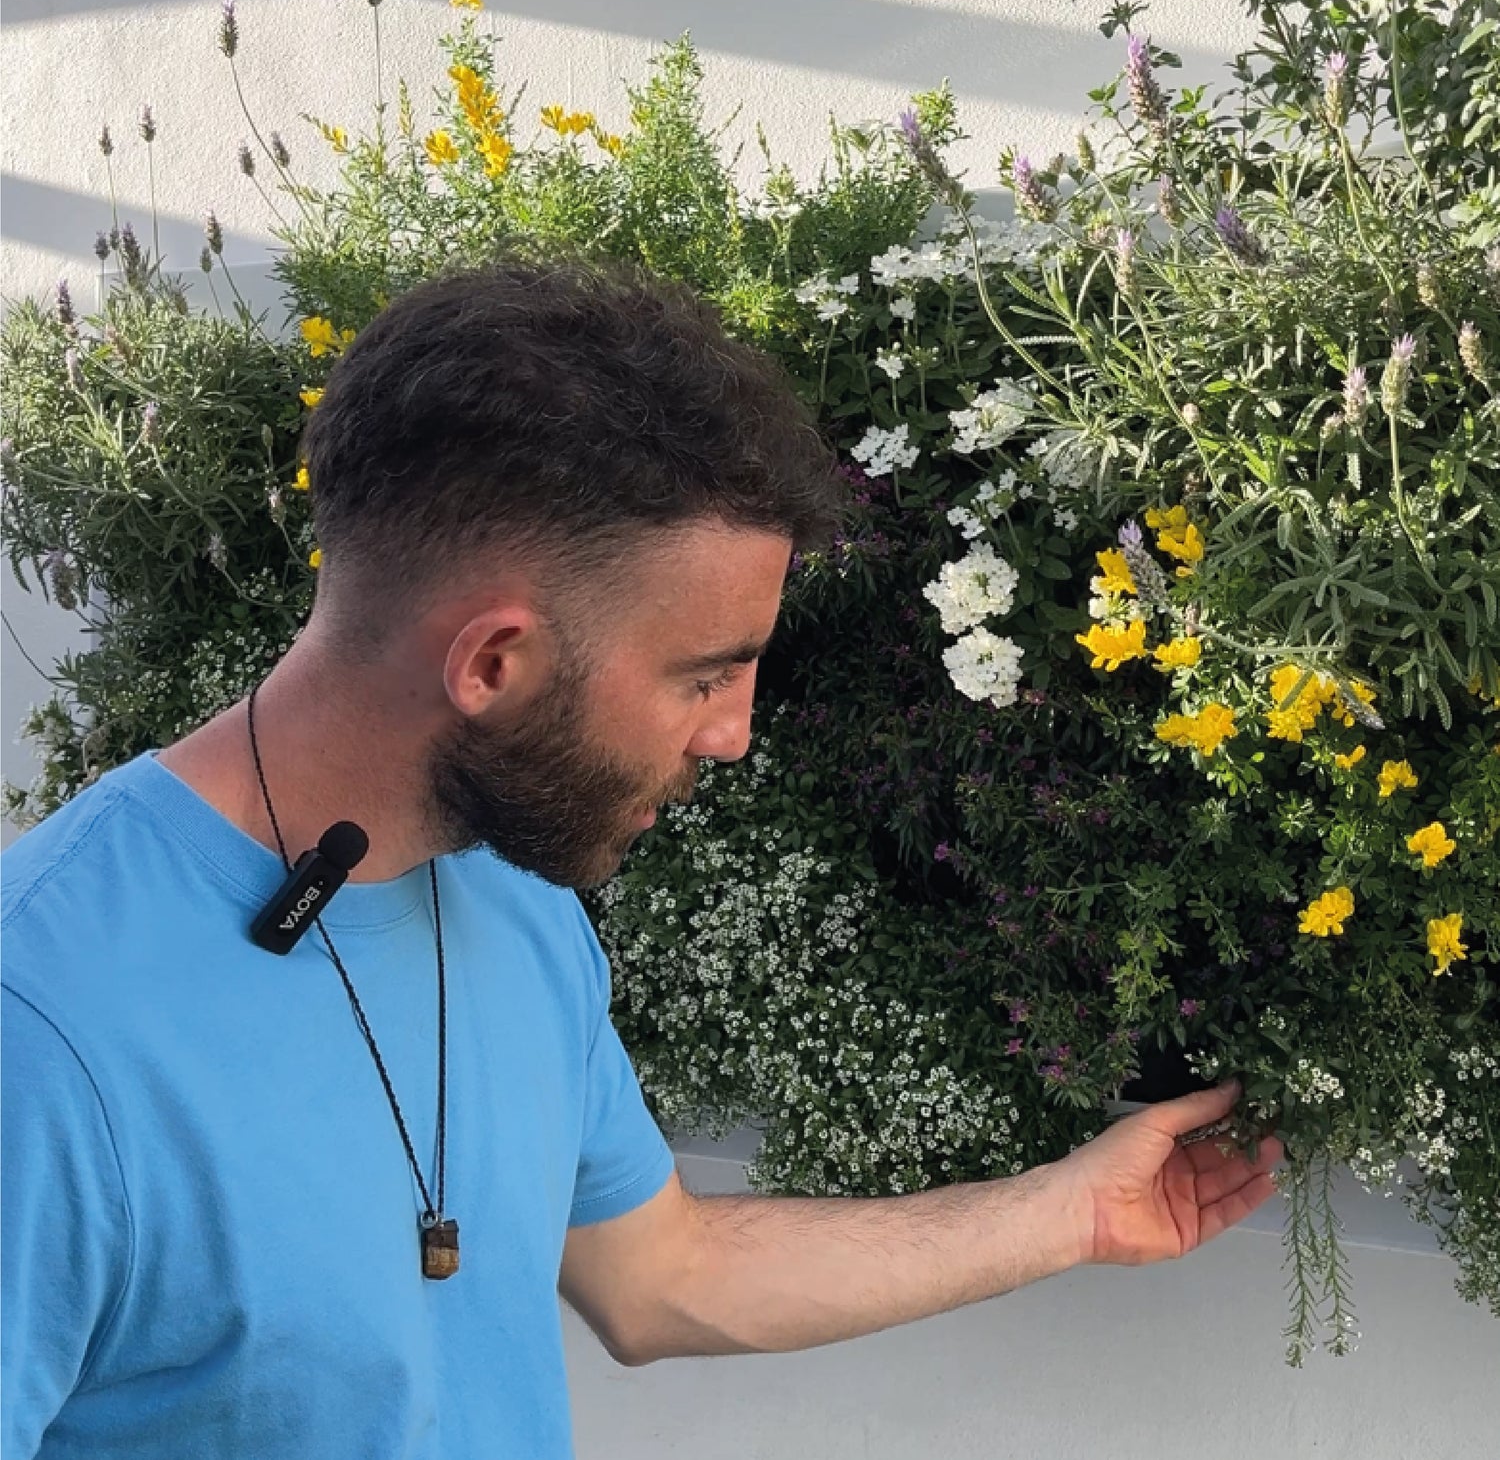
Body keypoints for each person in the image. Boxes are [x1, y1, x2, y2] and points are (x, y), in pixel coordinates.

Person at [1, 260, 1283, 1459]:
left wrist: (1066, 1211)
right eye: (705, 675)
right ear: (492, 664)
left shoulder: (504, 888)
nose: (734, 735)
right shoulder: (44, 1032)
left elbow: (662, 1273)